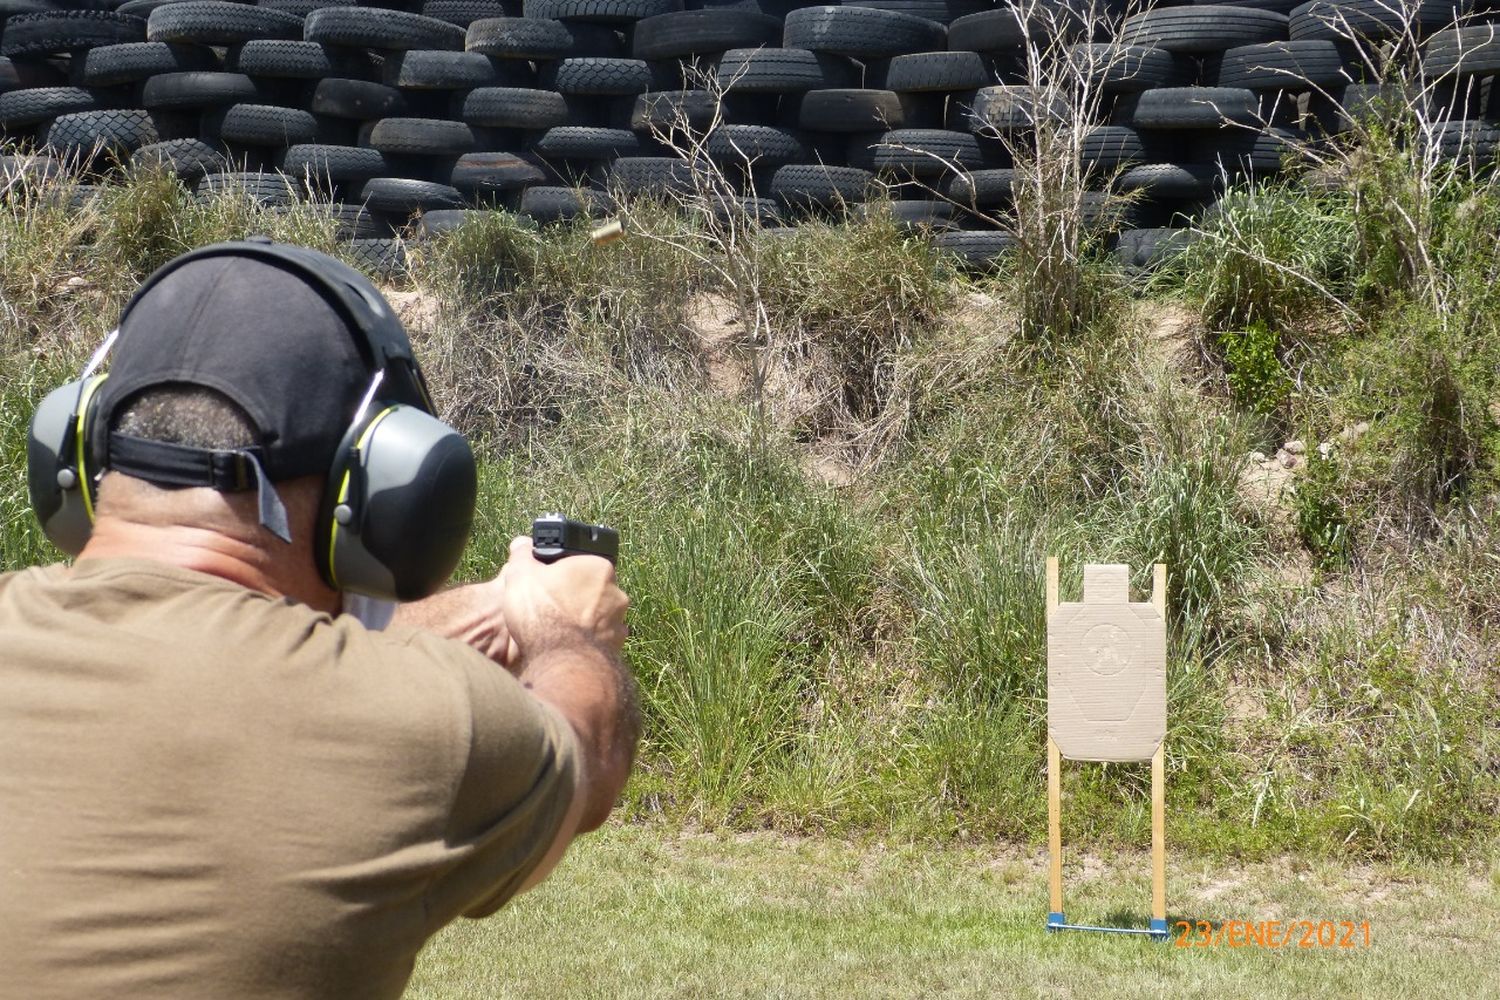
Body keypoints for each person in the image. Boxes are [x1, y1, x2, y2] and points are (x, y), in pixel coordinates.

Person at [0, 242, 639, 998]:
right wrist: (561, 630)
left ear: (73, 452)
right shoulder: (429, 728)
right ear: (379, 491)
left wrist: (486, 613)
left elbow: (214, 668)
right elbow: (586, 756)